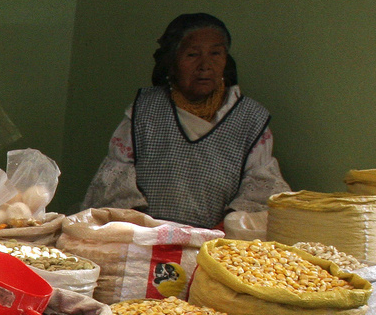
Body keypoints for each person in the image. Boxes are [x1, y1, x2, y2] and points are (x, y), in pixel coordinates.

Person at [82, 13, 288, 228]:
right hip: (145, 238)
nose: (205, 66)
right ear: (171, 62)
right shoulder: (143, 112)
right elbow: (114, 190)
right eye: (192, 55)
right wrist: (149, 234)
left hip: (217, 245)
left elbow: (260, 195)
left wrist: (217, 236)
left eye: (216, 53)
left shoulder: (251, 119)